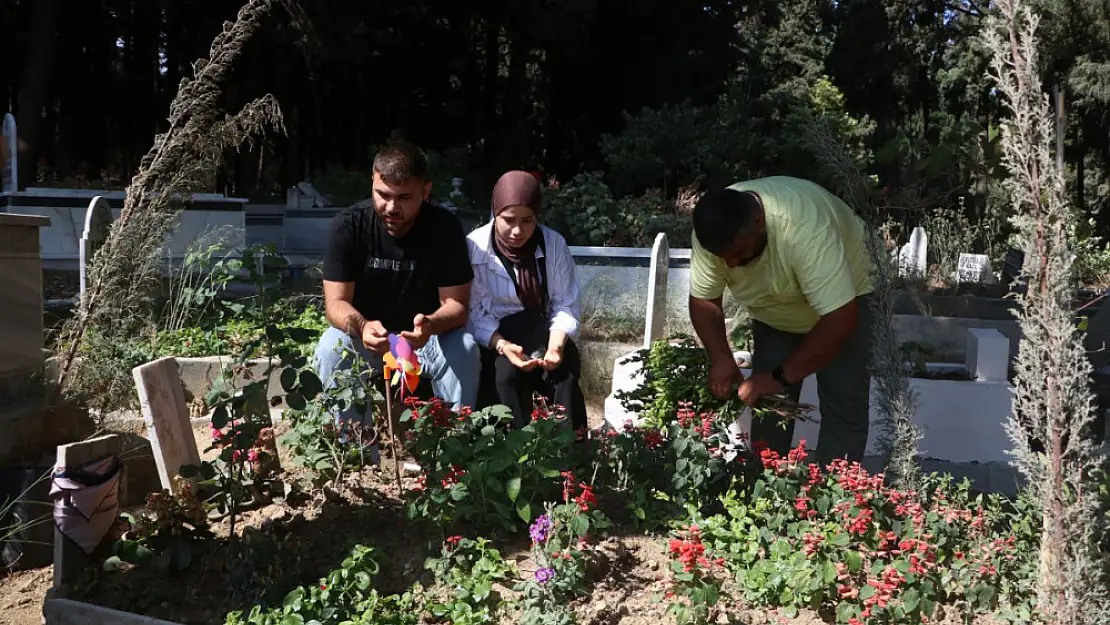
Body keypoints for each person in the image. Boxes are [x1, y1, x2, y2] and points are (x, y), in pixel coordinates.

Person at [687, 176, 874, 465]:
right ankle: (767, 490)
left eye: (738, 252)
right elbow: (704, 301)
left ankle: (838, 500)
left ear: (759, 222)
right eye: (722, 257)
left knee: (842, 405)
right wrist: (721, 358)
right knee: (769, 407)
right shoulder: (713, 233)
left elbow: (840, 320)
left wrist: (779, 376)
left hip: (848, 300)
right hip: (776, 311)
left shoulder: (805, 230)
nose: (732, 264)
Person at [313, 140, 481, 443]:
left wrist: (430, 324)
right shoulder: (348, 226)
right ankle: (354, 453)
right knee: (330, 349)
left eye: (404, 198)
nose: (391, 207)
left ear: (425, 191)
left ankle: (453, 452)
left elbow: (456, 305)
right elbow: (335, 304)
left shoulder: (444, 227)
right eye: (383, 194)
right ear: (373, 183)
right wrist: (362, 326)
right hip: (370, 340)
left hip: (427, 340)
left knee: (465, 348)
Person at [467, 170, 587, 433]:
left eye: (528, 220)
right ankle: (514, 454)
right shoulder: (474, 247)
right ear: (494, 213)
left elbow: (565, 303)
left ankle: (568, 454)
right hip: (497, 337)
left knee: (564, 376)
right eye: (508, 220)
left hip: (542, 331)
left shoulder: (553, 244)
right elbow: (474, 312)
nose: (518, 231)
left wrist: (555, 346)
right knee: (504, 378)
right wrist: (503, 345)